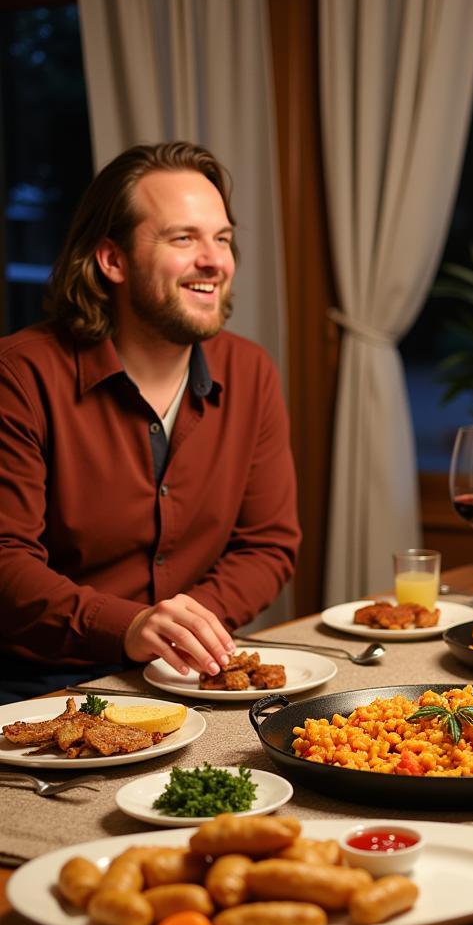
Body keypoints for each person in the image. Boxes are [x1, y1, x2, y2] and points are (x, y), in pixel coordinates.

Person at [0, 141, 300, 703]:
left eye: (223, 239)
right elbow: (5, 561)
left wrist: (183, 631)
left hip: (189, 679)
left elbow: (268, 544)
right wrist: (129, 626)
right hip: (41, 687)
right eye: (183, 238)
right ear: (112, 260)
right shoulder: (19, 376)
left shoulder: (251, 370)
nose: (215, 260)